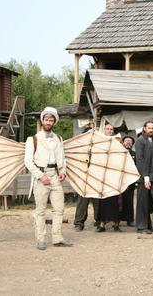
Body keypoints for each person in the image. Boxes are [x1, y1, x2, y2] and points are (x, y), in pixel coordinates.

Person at [24, 107, 72, 250]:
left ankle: (57, 238)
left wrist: (62, 171)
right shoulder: (33, 139)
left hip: (55, 176)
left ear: (54, 122)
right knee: (41, 210)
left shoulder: (58, 139)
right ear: (42, 121)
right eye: (46, 119)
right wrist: (40, 176)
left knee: (59, 209)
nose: (48, 122)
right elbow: (28, 162)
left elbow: (62, 158)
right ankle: (41, 239)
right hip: (41, 177)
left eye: (51, 120)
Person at [96, 123, 122, 232]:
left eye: (111, 129)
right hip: (103, 175)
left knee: (117, 200)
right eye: (107, 129)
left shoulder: (118, 143)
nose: (109, 130)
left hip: (115, 174)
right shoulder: (99, 142)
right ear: (104, 130)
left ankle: (116, 224)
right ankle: (102, 225)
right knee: (103, 200)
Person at [74, 126, 99, 231]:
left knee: (97, 201)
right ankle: (79, 222)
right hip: (84, 178)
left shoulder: (98, 148)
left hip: (96, 177)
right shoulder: (80, 149)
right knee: (82, 201)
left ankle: (99, 220)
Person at [135, 121, 153, 234]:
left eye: (152, 128)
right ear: (144, 128)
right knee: (142, 202)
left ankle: (147, 224)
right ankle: (141, 226)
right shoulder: (140, 141)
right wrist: (145, 177)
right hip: (143, 177)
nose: (151, 130)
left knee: (149, 202)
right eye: (149, 128)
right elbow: (140, 160)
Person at [121, 135, 136, 227]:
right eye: (126, 140)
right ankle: (117, 219)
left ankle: (130, 220)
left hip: (131, 181)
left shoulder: (135, 154)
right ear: (123, 142)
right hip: (119, 180)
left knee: (129, 201)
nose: (128, 142)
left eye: (130, 141)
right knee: (118, 200)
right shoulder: (118, 153)